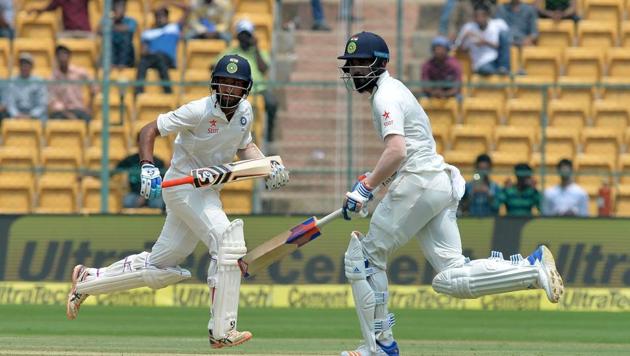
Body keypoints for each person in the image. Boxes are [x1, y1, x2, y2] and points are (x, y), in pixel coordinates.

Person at [337, 31, 563, 356]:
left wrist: (366, 187)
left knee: (364, 257)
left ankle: (380, 347)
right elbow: (410, 151)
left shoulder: (385, 95)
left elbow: (398, 151)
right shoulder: (393, 91)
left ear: (380, 63)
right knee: (450, 276)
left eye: (360, 63)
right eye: (351, 64)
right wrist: (373, 183)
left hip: (420, 182)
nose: (354, 70)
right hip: (434, 181)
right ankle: (533, 268)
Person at [65, 54, 289, 349]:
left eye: (236, 85)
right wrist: (147, 164)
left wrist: (267, 168)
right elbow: (149, 129)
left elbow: (245, 147)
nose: (229, 90)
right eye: (224, 83)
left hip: (207, 191)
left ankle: (87, 280)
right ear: (214, 84)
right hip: (183, 186)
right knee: (228, 241)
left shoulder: (245, 112)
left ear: (245, 89)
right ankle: (221, 329)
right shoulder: (198, 110)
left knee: (161, 263)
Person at [216, 19, 278, 143]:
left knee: (272, 102)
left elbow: (264, 68)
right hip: (236, 90)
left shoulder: (259, 52)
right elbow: (215, 65)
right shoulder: (231, 51)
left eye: (247, 35)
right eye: (242, 35)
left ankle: (269, 135)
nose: (244, 38)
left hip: (258, 89)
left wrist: (256, 49)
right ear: (237, 36)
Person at [136, 4, 190, 95]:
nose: (160, 18)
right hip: (151, 58)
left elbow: (188, 10)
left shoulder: (174, 28)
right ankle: (138, 92)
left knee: (160, 57)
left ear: (167, 17)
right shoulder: (148, 33)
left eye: (163, 16)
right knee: (142, 62)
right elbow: (143, 51)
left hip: (167, 59)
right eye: (158, 16)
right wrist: (146, 51)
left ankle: (168, 92)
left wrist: (169, 2)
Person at [454, 3, 511, 76]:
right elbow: (458, 48)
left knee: (504, 34)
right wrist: (464, 36)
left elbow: (505, 44)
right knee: (486, 70)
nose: (479, 19)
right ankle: (500, 72)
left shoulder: (499, 24)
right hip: (482, 63)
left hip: (499, 59)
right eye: (476, 16)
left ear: (488, 15)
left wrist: (485, 42)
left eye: (482, 16)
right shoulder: (468, 28)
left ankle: (503, 68)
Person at [49, 45, 97, 122]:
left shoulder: (78, 72)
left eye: (65, 54)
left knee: (88, 120)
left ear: (69, 57)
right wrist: (67, 114)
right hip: (62, 112)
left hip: (78, 109)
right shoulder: (53, 77)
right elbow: (53, 99)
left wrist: (90, 106)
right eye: (60, 55)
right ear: (56, 58)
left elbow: (94, 85)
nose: (62, 58)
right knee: (54, 120)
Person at [115, 144, 166, 210]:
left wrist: (144, 198)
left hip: (153, 194)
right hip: (135, 193)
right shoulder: (130, 160)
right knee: (127, 202)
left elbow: (160, 182)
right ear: (137, 143)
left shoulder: (158, 162)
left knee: (157, 203)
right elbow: (116, 170)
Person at [7, 53, 48, 121]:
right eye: (22, 64)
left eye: (27, 64)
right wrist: (16, 115)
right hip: (17, 115)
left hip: (35, 115)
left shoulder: (39, 81)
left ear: (31, 66)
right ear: (19, 66)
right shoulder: (13, 81)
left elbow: (42, 104)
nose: (24, 67)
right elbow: (10, 103)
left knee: (44, 119)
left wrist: (31, 115)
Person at [100, 0, 137, 68]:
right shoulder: (108, 19)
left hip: (126, 55)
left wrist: (110, 26)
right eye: (116, 7)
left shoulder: (131, 21)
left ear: (124, 8)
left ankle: (122, 64)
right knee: (108, 39)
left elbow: (128, 29)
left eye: (120, 7)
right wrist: (112, 20)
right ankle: (110, 63)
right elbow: (100, 30)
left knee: (126, 37)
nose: (118, 10)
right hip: (112, 52)